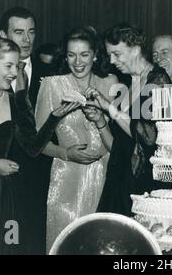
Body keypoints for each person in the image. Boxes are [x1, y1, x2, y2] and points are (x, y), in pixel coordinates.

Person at [0, 38, 79, 255]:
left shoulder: (14, 102)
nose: (14, 72)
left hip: (4, 198)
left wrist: (53, 119)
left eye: (17, 65)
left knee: (9, 247)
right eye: (8, 65)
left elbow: (33, 147)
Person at [34, 26, 117, 253]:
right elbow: (37, 143)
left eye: (84, 55)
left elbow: (121, 138)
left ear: (95, 55)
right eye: (71, 55)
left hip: (106, 175)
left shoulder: (110, 82)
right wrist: (66, 153)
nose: (77, 61)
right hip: (66, 179)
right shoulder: (52, 84)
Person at [91, 22, 171, 217]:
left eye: (117, 54)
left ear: (136, 50)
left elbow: (149, 136)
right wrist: (100, 120)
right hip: (118, 180)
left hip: (142, 183)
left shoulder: (159, 81)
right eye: (110, 54)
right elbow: (119, 145)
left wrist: (110, 109)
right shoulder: (126, 84)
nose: (112, 60)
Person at [0, 6, 46, 254]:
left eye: (31, 32)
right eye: (19, 32)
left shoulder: (52, 72)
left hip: (39, 175)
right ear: (3, 37)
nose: (27, 40)